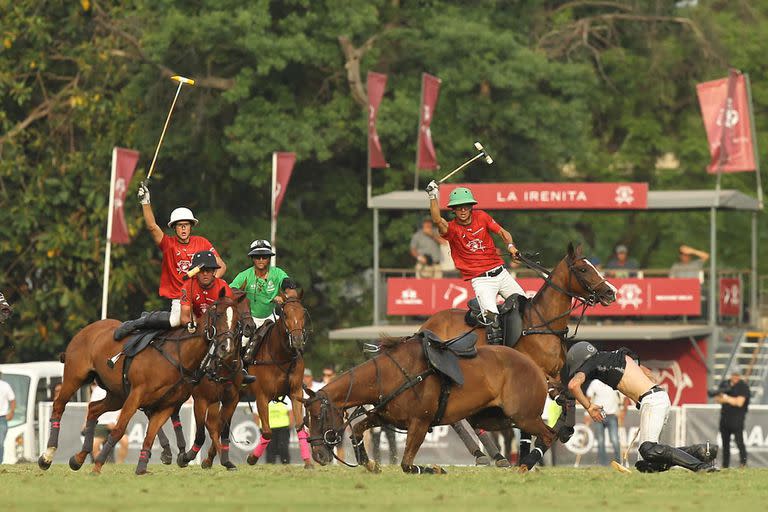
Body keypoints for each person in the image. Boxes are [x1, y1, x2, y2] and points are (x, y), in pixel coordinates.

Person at [566, 341, 717, 473]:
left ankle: (701, 467)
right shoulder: (617, 355)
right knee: (647, 464)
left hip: (652, 400)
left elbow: (573, 385)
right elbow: (649, 374)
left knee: (648, 449)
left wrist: (590, 406)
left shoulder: (592, 362)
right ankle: (702, 451)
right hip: (657, 397)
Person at [114, 182, 226, 337]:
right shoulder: (168, 245)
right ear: (174, 228)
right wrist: (145, 203)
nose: (183, 228)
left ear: (191, 226)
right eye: (179, 225)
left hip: (204, 295)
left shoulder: (202, 242)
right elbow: (152, 227)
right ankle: (141, 322)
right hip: (181, 296)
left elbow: (221, 266)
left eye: (186, 225)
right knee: (175, 321)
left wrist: (208, 282)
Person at [425, 182, 523, 345]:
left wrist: (511, 247)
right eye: (459, 207)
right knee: (493, 322)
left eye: (465, 207)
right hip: (482, 280)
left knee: (526, 309)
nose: (463, 210)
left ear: (471, 207)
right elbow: (437, 219)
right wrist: (432, 195)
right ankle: (499, 359)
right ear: (454, 210)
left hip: (501, 272)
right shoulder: (451, 229)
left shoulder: (482, 216)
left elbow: (501, 232)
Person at [230, 239, 299, 362]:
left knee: (290, 336)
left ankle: (293, 369)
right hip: (250, 320)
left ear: (269, 258)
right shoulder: (244, 275)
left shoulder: (278, 273)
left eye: (264, 257)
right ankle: (241, 371)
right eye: (257, 257)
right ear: (252, 258)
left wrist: (284, 297)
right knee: (238, 345)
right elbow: (231, 291)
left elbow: (290, 289)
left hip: (270, 317)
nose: (261, 260)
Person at [584, 379, 623, 465]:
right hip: (599, 414)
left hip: (612, 414)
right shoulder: (595, 382)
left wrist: (622, 411)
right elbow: (589, 397)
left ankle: (619, 462)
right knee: (600, 440)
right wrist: (587, 413)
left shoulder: (614, 380)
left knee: (615, 439)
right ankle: (603, 463)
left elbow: (623, 396)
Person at [715, 371, 749, 468]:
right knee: (725, 445)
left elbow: (739, 403)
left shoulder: (743, 386)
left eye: (737, 375)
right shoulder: (725, 384)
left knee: (739, 443)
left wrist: (725, 398)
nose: (735, 377)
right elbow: (717, 398)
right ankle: (725, 465)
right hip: (724, 419)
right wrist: (731, 399)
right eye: (734, 375)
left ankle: (743, 463)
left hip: (737, 420)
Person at [89, 383, 128, 464]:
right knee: (94, 446)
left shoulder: (118, 389)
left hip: (117, 423)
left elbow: (125, 407)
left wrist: (116, 421)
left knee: (125, 442)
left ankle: (120, 465)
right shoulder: (97, 390)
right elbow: (91, 406)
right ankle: (104, 465)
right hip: (101, 423)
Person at [253, 400, 293, 464]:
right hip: (267, 429)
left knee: (283, 447)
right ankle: (270, 465)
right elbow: (256, 414)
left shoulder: (285, 398)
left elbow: (290, 412)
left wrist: (290, 425)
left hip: (283, 427)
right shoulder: (261, 398)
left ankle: (286, 464)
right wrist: (260, 427)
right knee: (270, 448)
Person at [0, 371, 16, 463]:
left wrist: (11, 412)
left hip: (2, 418)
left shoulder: (5, 386)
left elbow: (12, 400)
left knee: (0, 443)